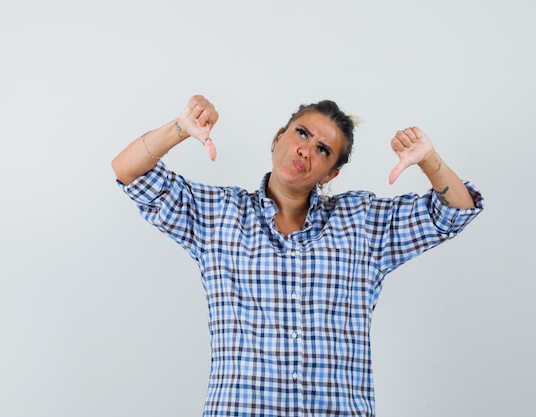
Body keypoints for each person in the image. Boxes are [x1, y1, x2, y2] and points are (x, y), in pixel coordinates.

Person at [111, 95, 483, 416]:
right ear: (278, 138)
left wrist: (428, 159)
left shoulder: (362, 222)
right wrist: (179, 127)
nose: (306, 149)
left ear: (330, 173)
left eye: (323, 149)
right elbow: (129, 171)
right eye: (302, 133)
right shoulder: (217, 215)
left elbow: (453, 213)